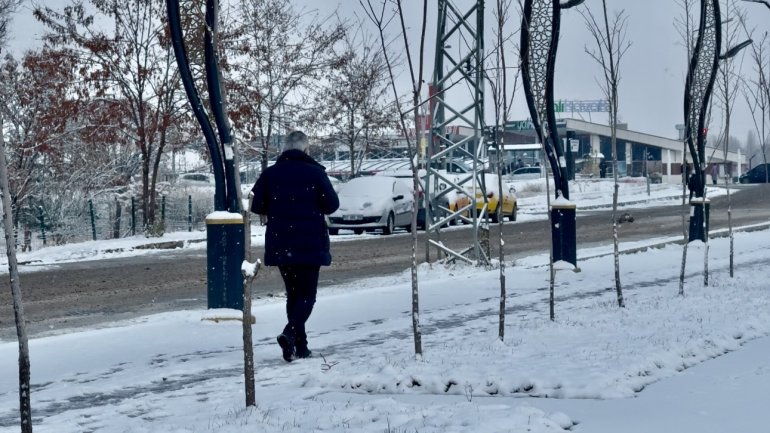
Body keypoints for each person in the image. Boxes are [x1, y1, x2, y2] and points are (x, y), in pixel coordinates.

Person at [250, 130, 339, 362]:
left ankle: (300, 347)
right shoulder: (316, 174)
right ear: (306, 149)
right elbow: (332, 205)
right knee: (307, 295)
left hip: (281, 242)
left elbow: (257, 205)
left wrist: (277, 205)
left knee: (293, 294)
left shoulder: (270, 174)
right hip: (310, 242)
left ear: (284, 149)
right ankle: (290, 334)